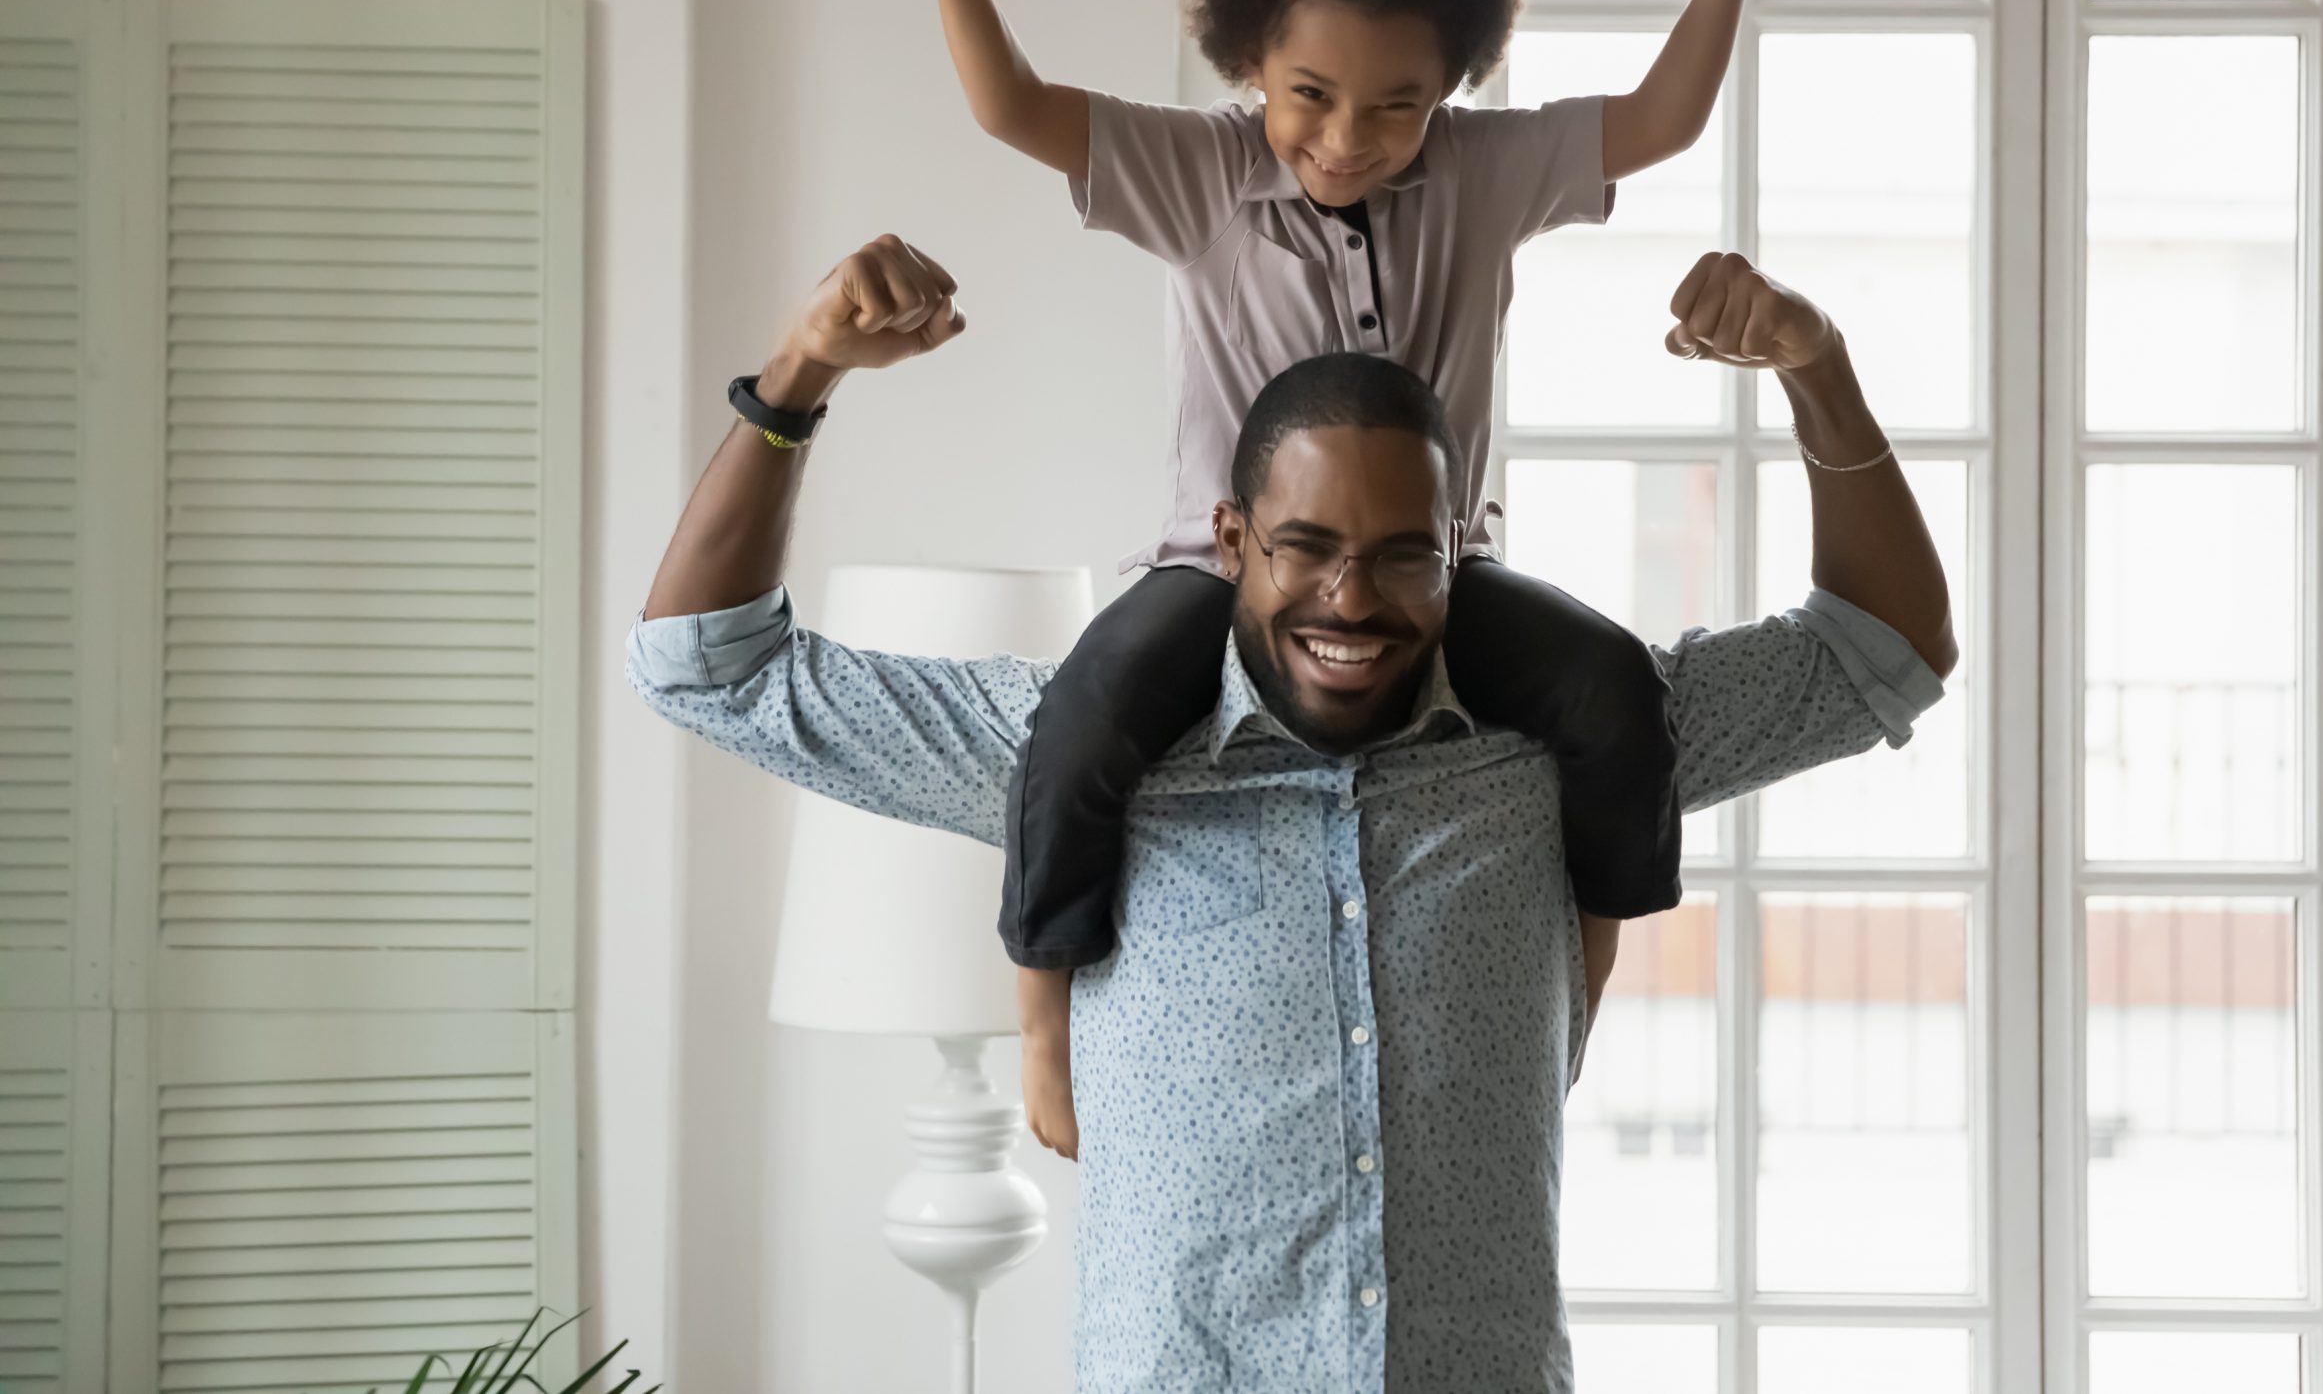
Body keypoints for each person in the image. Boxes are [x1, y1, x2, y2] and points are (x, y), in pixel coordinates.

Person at [628, 233, 1955, 1392]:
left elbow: (1885, 648)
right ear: (1230, 539)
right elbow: (707, 664)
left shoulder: (1560, 751)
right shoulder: (1070, 754)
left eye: (1400, 556)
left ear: (1458, 554)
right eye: (1306, 547)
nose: (1350, 600)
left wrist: (1816, 365)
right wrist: (799, 376)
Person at [924, 0, 1762, 1157]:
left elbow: (1660, 120)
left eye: (1398, 104)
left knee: (1613, 694)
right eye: (1309, 94)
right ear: (1249, 54)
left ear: (1452, 84)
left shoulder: (1486, 175)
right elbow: (1013, 109)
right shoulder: (1198, 174)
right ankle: (1040, 1015)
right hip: (1225, 579)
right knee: (1080, 720)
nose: (1349, 138)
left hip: (1443, 577)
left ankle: (1581, 990)